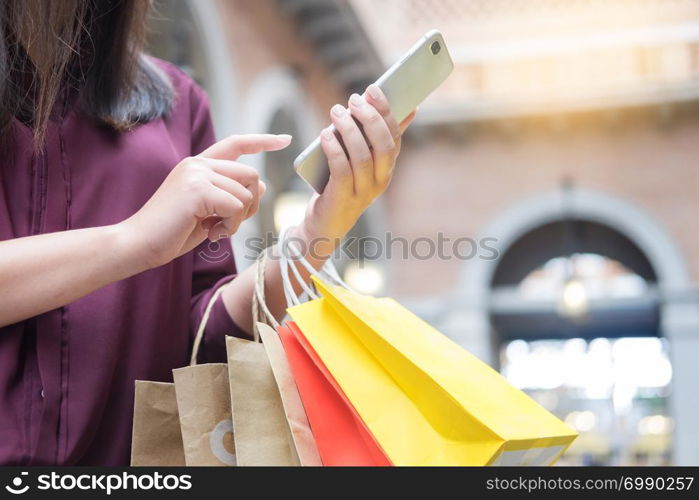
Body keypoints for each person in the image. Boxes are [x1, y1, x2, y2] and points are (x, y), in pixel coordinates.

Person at [0, 0, 415, 465]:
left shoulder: (176, 102)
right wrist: (130, 241)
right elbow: (140, 243)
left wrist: (325, 224)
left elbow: (203, 333)